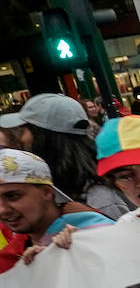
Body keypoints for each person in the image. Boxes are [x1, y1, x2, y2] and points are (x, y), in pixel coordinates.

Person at [0, 92, 131, 219]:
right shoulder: (54, 187)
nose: (21, 140)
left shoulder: (99, 197)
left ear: (44, 138)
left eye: (23, 131)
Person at [0, 148, 111, 273]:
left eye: (13, 196)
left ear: (46, 192)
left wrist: (83, 248)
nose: (2, 210)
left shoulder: (97, 231)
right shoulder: (9, 261)